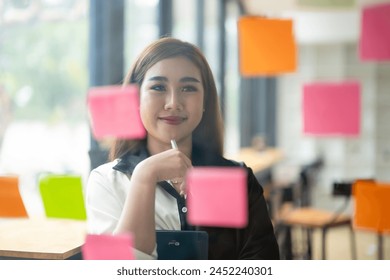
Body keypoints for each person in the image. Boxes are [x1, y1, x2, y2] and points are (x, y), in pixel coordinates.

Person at [86, 37, 280, 260]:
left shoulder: (238, 179)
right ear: (135, 99)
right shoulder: (107, 181)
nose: (173, 103)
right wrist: (144, 177)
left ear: (205, 100)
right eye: (158, 87)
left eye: (188, 88)